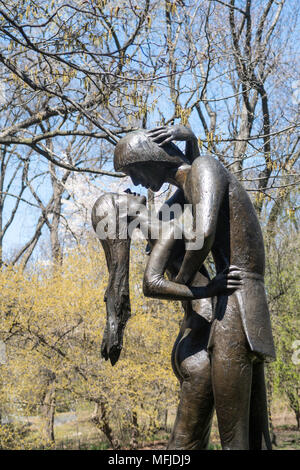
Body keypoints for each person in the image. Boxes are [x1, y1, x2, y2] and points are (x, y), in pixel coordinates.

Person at [113, 125, 276, 450]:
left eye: (133, 170)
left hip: (236, 300)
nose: (135, 182)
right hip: (233, 299)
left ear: (151, 157)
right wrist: (188, 137)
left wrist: (183, 281)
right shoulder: (190, 184)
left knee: (236, 439)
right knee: (251, 435)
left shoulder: (204, 169)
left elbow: (202, 236)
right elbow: (168, 221)